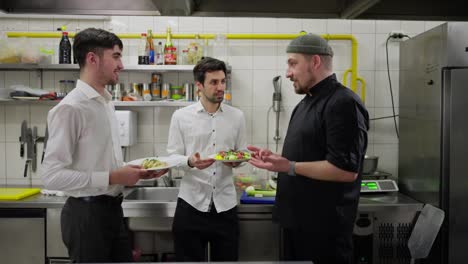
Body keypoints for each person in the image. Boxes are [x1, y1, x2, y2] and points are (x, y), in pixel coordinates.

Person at [41, 28, 167, 263]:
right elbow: (51, 177)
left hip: (111, 211)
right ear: (92, 59)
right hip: (86, 215)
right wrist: (112, 177)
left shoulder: (106, 103)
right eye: (116, 56)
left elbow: (103, 162)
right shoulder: (70, 108)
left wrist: (137, 170)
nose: (121, 64)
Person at [248, 33, 369, 264]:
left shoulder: (342, 102)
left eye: (293, 63)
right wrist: (278, 160)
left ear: (315, 62)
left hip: (324, 235)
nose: (287, 72)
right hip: (297, 227)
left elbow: (345, 170)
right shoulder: (304, 104)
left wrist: (289, 166)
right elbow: (307, 154)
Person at [167, 57, 247, 262]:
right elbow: (172, 157)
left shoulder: (237, 116)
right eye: (214, 82)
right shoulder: (180, 116)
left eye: (222, 81)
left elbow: (242, 152)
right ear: (199, 86)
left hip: (225, 205)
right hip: (191, 205)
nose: (220, 87)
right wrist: (189, 161)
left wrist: (237, 160)